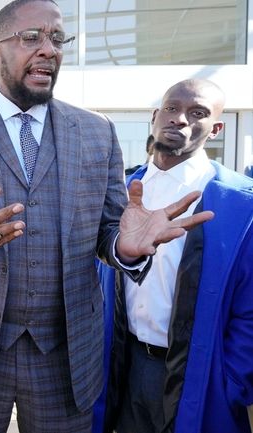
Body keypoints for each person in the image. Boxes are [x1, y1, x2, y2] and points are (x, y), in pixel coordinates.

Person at [0, 1, 213, 432]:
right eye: (31, 37)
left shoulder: (95, 130)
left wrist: (122, 247)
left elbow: (109, 229)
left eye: (57, 38)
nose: (49, 49)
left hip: (66, 354)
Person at [99, 79, 253, 433]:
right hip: (124, 363)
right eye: (171, 108)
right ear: (154, 117)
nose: (180, 119)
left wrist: (232, 382)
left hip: (203, 373)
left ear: (216, 129)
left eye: (197, 113)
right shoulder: (120, 192)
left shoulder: (241, 204)